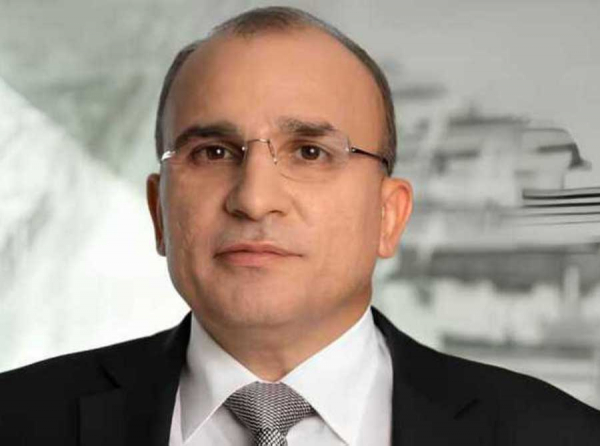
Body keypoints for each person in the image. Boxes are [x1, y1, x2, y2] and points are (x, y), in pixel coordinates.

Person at [1, 6, 599, 445]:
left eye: (311, 152)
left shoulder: (558, 436)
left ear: (388, 215)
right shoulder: (17, 420)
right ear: (160, 211)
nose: (254, 199)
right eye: (213, 152)